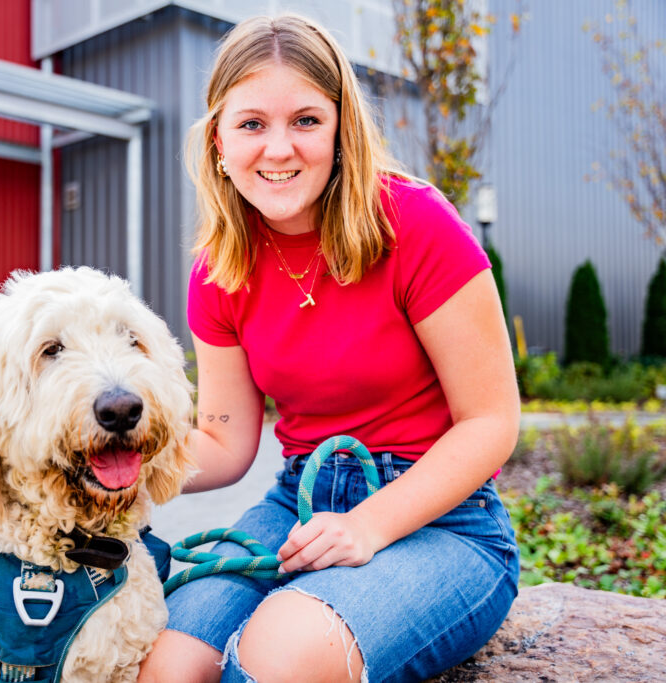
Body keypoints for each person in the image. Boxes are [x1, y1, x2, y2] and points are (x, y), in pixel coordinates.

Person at [138, 13, 520, 683]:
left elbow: (492, 420)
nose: (278, 149)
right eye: (252, 123)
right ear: (219, 141)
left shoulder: (417, 223)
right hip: (301, 503)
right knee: (169, 664)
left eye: (306, 121)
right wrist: (108, 467)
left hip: (447, 522)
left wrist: (369, 525)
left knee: (276, 654)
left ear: (343, 129)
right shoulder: (218, 269)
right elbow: (225, 441)